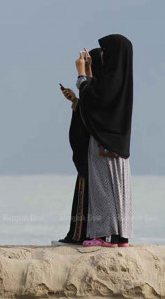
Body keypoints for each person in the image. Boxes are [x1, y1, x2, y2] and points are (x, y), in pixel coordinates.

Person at [76, 35, 133, 248]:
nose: (103, 56)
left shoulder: (108, 84)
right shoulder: (122, 82)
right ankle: (121, 237)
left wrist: (82, 74)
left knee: (102, 189)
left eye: (106, 52)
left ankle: (104, 236)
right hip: (119, 146)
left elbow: (91, 99)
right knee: (120, 190)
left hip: (102, 143)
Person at [52, 49, 101, 246]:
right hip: (92, 152)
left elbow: (92, 109)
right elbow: (89, 108)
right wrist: (75, 101)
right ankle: (83, 234)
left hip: (91, 153)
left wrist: (83, 72)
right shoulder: (104, 88)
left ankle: (79, 235)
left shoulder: (100, 88)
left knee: (85, 190)